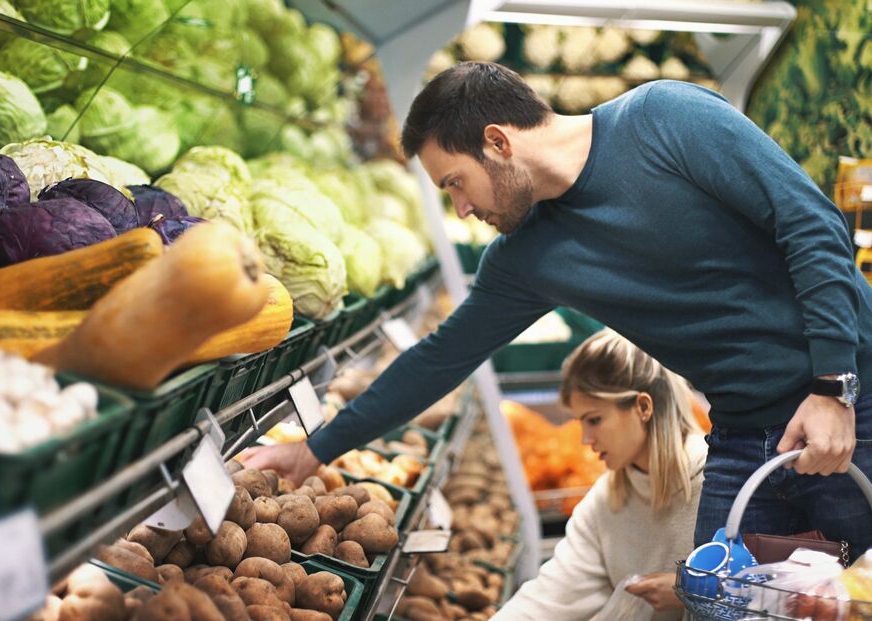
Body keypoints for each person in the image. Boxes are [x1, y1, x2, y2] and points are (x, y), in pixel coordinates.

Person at [240, 62, 872, 554]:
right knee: (723, 604)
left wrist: (832, 385)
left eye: (454, 182)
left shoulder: (665, 119)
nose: (460, 209)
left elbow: (813, 225)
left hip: (855, 400)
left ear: (497, 141)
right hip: (744, 431)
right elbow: (439, 358)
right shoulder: (526, 256)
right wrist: (316, 448)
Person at [493, 329, 704, 620]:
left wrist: (694, 591)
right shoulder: (607, 500)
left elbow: (768, 585)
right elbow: (552, 596)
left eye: (595, 420)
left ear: (643, 407)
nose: (585, 439)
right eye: (581, 423)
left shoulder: (715, 486)